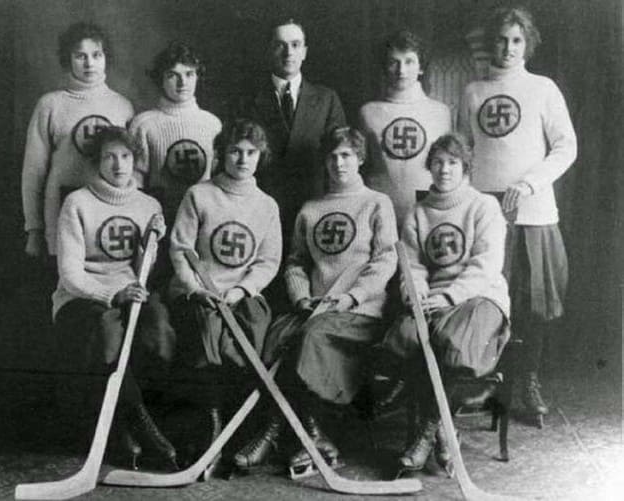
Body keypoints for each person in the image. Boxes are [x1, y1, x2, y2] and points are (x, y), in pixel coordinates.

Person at [233, 127, 398, 476]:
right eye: (333, 156)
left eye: (347, 156)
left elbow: (385, 260)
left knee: (312, 337)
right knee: (275, 336)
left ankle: (292, 431)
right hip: (315, 308)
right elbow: (296, 262)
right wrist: (301, 297)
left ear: (361, 159)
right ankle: (303, 432)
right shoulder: (311, 209)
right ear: (324, 161)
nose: (339, 163)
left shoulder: (376, 203)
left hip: (360, 311)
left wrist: (351, 297)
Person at [459, 6, 577, 423]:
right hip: (487, 214)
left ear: (527, 44)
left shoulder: (543, 88)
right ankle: (492, 382)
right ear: (490, 43)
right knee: (489, 298)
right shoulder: (473, 91)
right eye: (501, 40)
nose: (508, 48)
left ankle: (526, 381)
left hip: (532, 212)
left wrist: (528, 183)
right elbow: (464, 153)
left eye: (516, 40)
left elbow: (566, 146)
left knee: (532, 304)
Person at [382, 133, 510, 474]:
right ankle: (443, 432)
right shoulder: (418, 213)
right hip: (434, 301)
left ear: (465, 166)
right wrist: (418, 294)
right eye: (437, 162)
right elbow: (413, 266)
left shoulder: (484, 206)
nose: (444, 170)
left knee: (454, 345)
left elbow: (486, 265)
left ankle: (427, 433)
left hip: (477, 297)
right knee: (407, 338)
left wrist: (449, 296)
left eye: (452, 162)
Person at [53, 127, 177, 470]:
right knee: (108, 334)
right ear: (96, 161)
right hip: (83, 296)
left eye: (125, 156)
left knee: (159, 329)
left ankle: (133, 419)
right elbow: (70, 274)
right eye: (109, 156)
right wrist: (112, 293)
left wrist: (152, 245)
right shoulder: (77, 202)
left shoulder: (148, 204)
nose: (118, 164)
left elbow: (144, 270)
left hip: (132, 289)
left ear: (135, 160)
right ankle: (132, 426)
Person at [167, 118, 282, 463]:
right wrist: (194, 288)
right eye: (234, 151)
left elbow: (268, 261)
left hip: (241, 295)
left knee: (252, 338)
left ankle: (239, 428)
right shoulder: (199, 195)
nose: (243, 159)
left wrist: (242, 290)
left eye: (251, 152)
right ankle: (209, 422)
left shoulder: (267, 205)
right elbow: (180, 249)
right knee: (206, 332)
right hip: (200, 291)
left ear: (261, 157)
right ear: (221, 154)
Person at [22, 22, 134, 263]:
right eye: (80, 56)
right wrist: (34, 229)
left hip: (108, 216)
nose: (89, 63)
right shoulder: (50, 105)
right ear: (68, 59)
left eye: (96, 55)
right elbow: (33, 172)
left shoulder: (122, 106)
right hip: (60, 211)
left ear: (106, 58)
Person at [242, 19, 347, 258]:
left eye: (295, 44)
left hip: (314, 206)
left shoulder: (326, 99)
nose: (288, 52)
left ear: (305, 52)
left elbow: (340, 155)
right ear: (269, 50)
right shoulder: (247, 100)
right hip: (262, 207)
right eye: (280, 45)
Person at [358, 29, 451, 228]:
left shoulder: (440, 112)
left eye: (409, 62)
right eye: (394, 62)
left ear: (421, 68)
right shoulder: (368, 112)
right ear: (385, 67)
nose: (401, 70)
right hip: (379, 207)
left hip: (427, 209)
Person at [130, 40, 222, 228]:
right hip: (156, 218)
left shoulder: (212, 124)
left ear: (198, 76)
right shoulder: (143, 124)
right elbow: (135, 181)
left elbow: (218, 180)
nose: (182, 82)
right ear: (160, 79)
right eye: (172, 75)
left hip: (202, 219)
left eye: (189, 74)